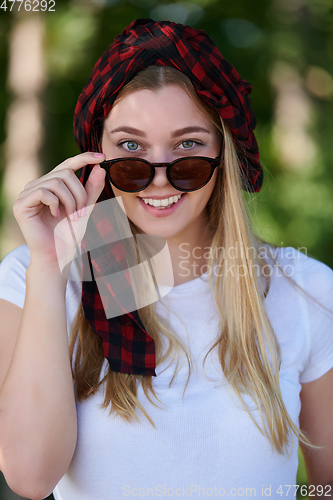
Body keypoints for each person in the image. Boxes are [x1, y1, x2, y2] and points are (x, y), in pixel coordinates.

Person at [0, 18, 332, 500]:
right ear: (96, 156)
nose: (158, 178)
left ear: (225, 155)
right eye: (131, 148)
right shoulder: (30, 277)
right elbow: (30, 479)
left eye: (188, 147)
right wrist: (48, 268)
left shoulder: (305, 289)